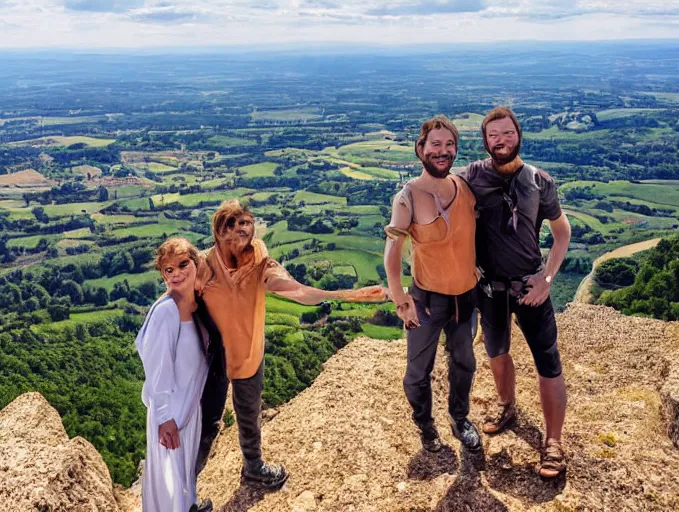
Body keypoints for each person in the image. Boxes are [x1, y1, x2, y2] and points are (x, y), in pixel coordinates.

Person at [194, 199, 388, 489]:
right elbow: (178, 302)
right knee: (205, 427)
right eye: (229, 226)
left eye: (244, 225)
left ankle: (253, 467)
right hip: (209, 360)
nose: (238, 232)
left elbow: (295, 290)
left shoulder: (259, 261)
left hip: (247, 352)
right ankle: (185, 489)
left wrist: (344, 295)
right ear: (217, 232)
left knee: (249, 413)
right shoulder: (203, 266)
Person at [456, 106, 572, 478]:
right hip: (490, 287)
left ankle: (553, 443)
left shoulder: (539, 181)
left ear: (518, 135)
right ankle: (507, 404)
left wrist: (548, 279)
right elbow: (441, 191)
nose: (501, 141)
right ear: (485, 141)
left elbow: (562, 232)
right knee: (497, 352)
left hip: (529, 287)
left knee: (548, 363)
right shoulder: (472, 175)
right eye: (493, 135)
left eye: (507, 134)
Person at [383, 115, 481, 455]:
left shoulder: (465, 188)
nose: (443, 151)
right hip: (426, 300)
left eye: (449, 145)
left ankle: (460, 418)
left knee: (465, 362)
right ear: (420, 149)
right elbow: (392, 251)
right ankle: (425, 425)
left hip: (465, 298)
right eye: (436, 144)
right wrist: (399, 297)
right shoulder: (408, 196)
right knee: (417, 372)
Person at [136, 238, 213, 512]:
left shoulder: (196, 305)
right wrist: (164, 418)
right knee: (168, 483)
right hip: (169, 412)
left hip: (188, 408)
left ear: (196, 264)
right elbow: (156, 370)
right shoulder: (166, 311)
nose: (177, 273)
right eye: (168, 270)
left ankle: (190, 507)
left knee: (183, 472)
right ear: (162, 275)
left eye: (183, 264)